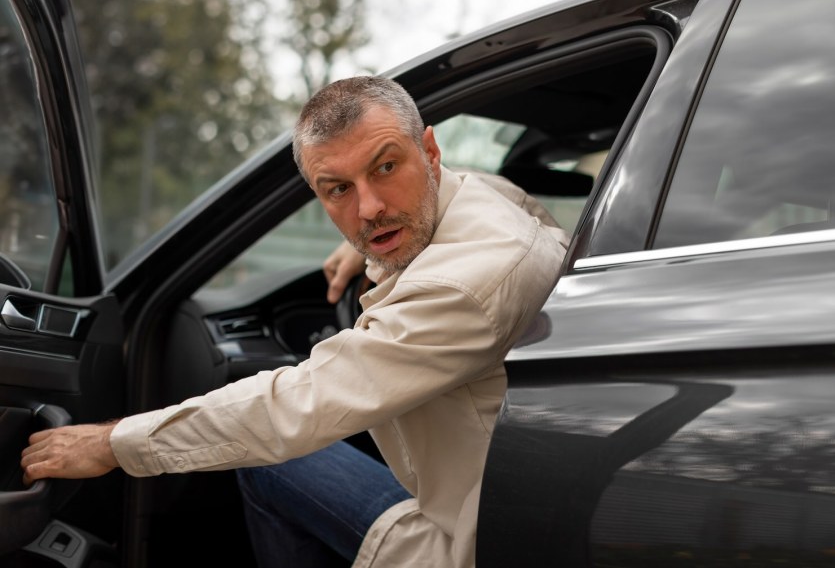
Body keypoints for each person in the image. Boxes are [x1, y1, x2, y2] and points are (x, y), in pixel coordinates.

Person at [21, 75, 570, 568]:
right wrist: (382, 247)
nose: (370, 208)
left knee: (269, 465)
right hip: (515, 510)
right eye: (338, 189)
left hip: (470, 544)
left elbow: (296, 404)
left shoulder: (463, 287)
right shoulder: (492, 217)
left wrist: (115, 442)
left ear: (430, 150)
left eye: (385, 165)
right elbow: (495, 194)